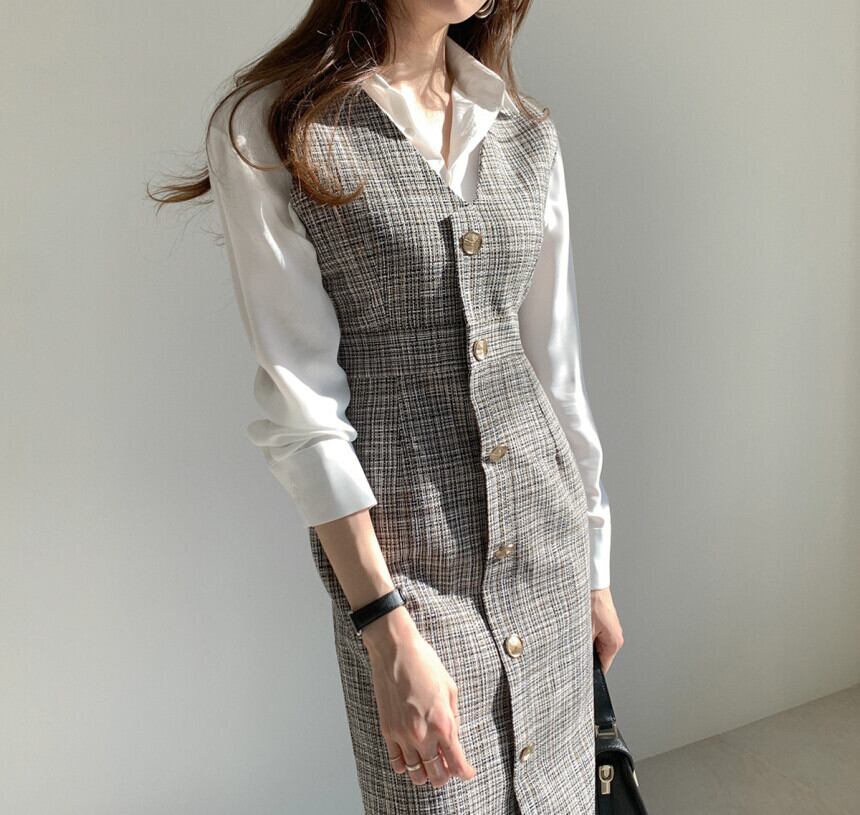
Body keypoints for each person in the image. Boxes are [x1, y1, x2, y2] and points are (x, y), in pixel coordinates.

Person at [151, 1, 624, 811]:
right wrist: (382, 622)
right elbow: (302, 405)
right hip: (409, 578)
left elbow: (557, 368)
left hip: (550, 552)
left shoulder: (524, 131)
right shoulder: (270, 128)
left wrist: (596, 567)